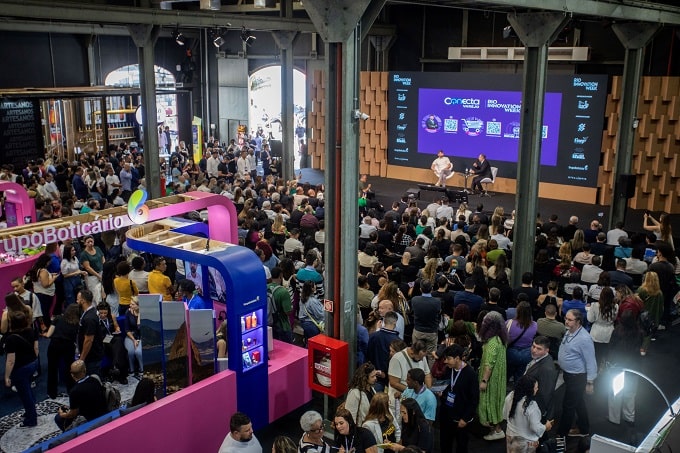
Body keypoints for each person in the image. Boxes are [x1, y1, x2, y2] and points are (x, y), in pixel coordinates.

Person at [556, 309, 597, 439]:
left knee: (568, 405)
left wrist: (590, 382)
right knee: (578, 402)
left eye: (569, 320)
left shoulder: (585, 338)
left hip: (577, 377)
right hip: (569, 374)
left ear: (578, 321)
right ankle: (584, 429)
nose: (566, 321)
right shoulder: (570, 331)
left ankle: (561, 434)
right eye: (566, 318)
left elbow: (591, 361)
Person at [438, 344, 479, 453]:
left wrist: (465, 418)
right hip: (446, 414)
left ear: (457, 358)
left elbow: (474, 399)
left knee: (461, 445)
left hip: (461, 416)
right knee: (445, 443)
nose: (446, 361)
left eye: (448, 359)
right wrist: (442, 393)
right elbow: (446, 386)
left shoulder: (471, 374)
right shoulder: (448, 370)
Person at [607, 309, 643, 426]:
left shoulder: (617, 331)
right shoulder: (639, 332)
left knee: (615, 393)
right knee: (630, 394)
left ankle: (614, 418)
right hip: (633, 368)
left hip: (617, 367)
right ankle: (629, 417)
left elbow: (611, 348)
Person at [3, 311, 39, 427]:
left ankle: (31, 419)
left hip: (21, 369)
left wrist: (7, 376)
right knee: (28, 390)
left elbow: (10, 360)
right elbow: (36, 348)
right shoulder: (31, 331)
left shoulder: (10, 339)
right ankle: (30, 411)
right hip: (33, 364)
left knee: (25, 394)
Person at [503, 375, 554, 453]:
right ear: (529, 390)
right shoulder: (531, 406)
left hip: (510, 435)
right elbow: (535, 428)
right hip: (526, 442)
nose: (537, 389)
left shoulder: (510, 396)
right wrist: (546, 427)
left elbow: (505, 415)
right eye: (535, 388)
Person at [477, 310, 507, 441]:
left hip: (490, 379)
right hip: (498, 378)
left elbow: (489, 364)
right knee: (495, 402)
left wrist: (484, 380)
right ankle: (496, 428)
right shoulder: (501, 339)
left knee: (488, 403)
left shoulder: (492, 343)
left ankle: (496, 430)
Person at [54, 360, 108, 431]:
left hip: (89, 420)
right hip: (104, 412)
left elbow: (73, 414)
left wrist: (62, 414)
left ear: (72, 375)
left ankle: (71, 435)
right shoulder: (95, 379)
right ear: (85, 370)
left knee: (58, 418)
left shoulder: (74, 391)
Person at [45, 304, 80, 399]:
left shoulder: (58, 318)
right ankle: (71, 390)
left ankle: (52, 393)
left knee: (52, 369)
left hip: (54, 345)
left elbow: (48, 335)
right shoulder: (76, 323)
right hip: (68, 346)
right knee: (70, 369)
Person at [523, 336, 558, 421]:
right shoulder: (539, 358)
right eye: (533, 346)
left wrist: (536, 413)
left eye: (539, 349)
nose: (534, 350)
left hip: (533, 409)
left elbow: (544, 394)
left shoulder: (547, 369)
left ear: (547, 350)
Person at [506, 301, 538, 384]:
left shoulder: (509, 323)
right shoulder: (535, 325)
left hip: (511, 353)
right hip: (526, 354)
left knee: (507, 372)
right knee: (520, 376)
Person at [97, 301, 128, 384]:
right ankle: (120, 372)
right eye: (101, 313)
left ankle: (115, 367)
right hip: (103, 342)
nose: (103, 315)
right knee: (119, 348)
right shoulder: (96, 320)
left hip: (112, 337)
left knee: (119, 340)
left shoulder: (112, 316)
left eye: (105, 313)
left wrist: (117, 329)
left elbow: (116, 326)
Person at [587, 287, 617, 368]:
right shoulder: (616, 306)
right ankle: (605, 371)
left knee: (596, 356)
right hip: (609, 334)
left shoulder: (594, 305)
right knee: (606, 356)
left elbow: (590, 319)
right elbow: (614, 319)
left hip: (596, 334)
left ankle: (595, 371)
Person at [76, 289, 104, 377]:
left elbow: (88, 340)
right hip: (93, 353)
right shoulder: (91, 311)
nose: (76, 301)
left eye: (78, 299)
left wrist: (82, 359)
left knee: (92, 379)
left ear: (83, 301)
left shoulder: (89, 318)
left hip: (92, 356)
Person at [636, 271, 664, 355]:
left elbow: (636, 302)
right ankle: (643, 349)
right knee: (648, 333)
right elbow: (661, 308)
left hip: (642, 316)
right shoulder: (660, 293)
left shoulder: (641, 290)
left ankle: (636, 347)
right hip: (653, 317)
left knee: (639, 331)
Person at [345, 362, 378, 426]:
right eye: (372, 376)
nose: (375, 378)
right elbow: (350, 416)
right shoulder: (354, 393)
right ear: (365, 378)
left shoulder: (371, 389)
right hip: (361, 428)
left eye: (375, 375)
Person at [80, 235, 105, 304]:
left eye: (91, 241)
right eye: (88, 242)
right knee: (95, 295)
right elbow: (87, 267)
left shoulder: (97, 248)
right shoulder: (83, 254)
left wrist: (104, 268)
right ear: (85, 243)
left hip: (101, 272)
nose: (90, 243)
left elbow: (103, 258)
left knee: (103, 292)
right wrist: (98, 276)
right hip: (92, 277)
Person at [124, 297, 143, 375]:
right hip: (131, 336)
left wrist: (139, 315)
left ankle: (142, 370)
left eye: (133, 304)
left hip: (142, 336)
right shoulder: (128, 312)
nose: (130, 306)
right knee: (130, 352)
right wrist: (134, 340)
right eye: (130, 304)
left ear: (138, 306)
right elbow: (127, 329)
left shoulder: (143, 313)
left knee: (138, 352)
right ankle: (132, 370)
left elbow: (140, 328)